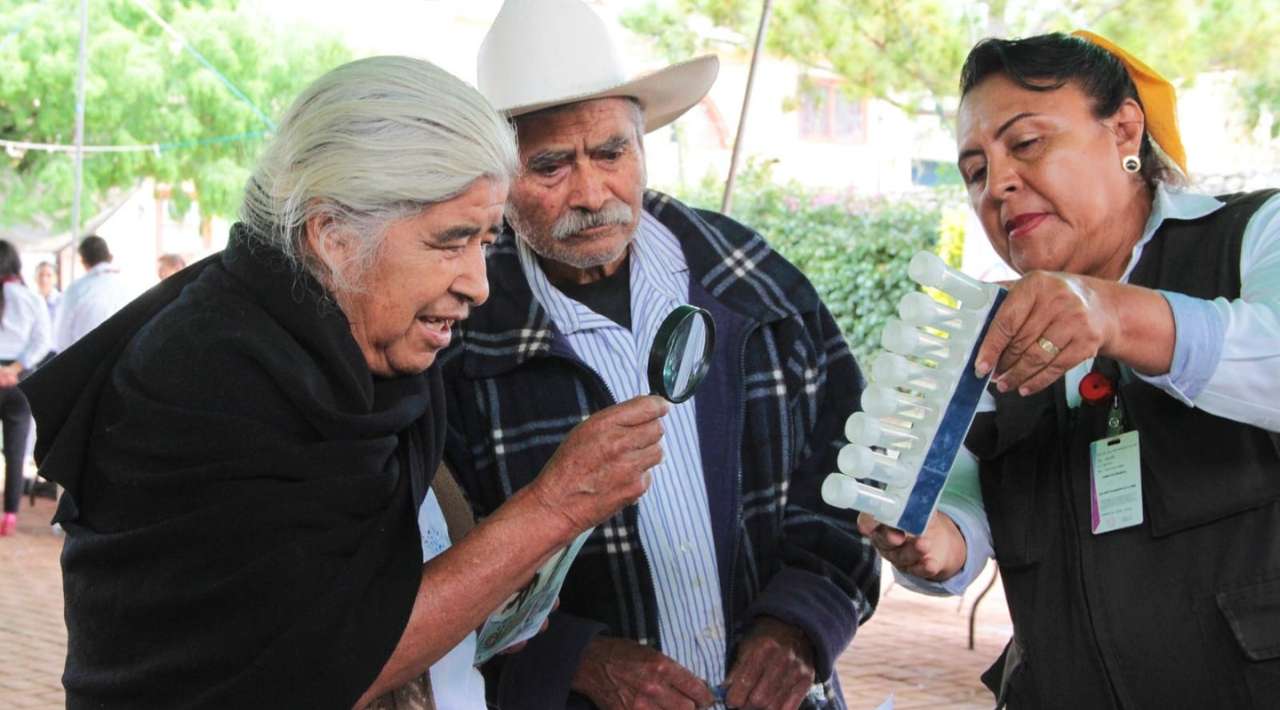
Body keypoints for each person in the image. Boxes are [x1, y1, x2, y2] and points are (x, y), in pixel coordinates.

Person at [22, 55, 670, 709]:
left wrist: (495, 586)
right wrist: (552, 509)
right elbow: (327, 662)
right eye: (451, 241)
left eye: (486, 239)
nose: (477, 283)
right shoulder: (216, 377)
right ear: (333, 234)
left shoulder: (356, 358)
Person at [439, 2, 880, 708]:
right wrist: (573, 657)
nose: (590, 193)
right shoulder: (457, 334)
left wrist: (801, 624)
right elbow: (436, 560)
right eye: (549, 164)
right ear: (496, 176)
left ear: (644, 146)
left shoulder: (754, 283)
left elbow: (851, 475)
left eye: (611, 152)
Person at [859, 31, 1280, 709]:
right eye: (974, 171)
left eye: (1026, 144)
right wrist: (934, 541)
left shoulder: (1254, 234)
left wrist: (1115, 314)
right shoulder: (993, 332)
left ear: (1124, 131)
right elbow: (967, 501)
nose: (998, 186)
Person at [0, 242, 51, 535]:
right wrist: (14, 369)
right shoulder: (31, 298)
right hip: (20, 382)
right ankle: (9, 515)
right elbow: (42, 341)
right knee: (16, 452)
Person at [51, 235, 134, 351]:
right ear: (110, 257)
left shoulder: (76, 289)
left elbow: (62, 338)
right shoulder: (131, 286)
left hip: (85, 361)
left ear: (83, 261)